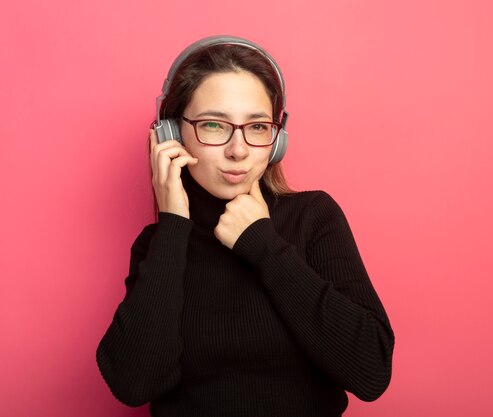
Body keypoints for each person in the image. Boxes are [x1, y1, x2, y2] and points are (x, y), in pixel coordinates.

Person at [96, 35, 394, 417]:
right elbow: (134, 383)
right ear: (171, 132)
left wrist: (263, 244)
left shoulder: (313, 217)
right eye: (214, 125)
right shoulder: (159, 245)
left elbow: (371, 370)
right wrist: (172, 226)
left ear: (277, 139)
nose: (238, 150)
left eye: (256, 127)